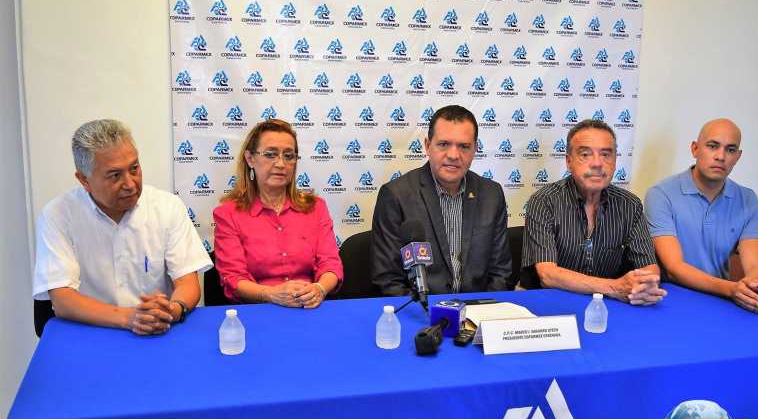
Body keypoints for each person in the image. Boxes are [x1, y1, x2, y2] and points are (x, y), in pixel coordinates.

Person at [33, 119, 212, 334]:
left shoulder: (167, 206)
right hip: (92, 330)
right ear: (84, 180)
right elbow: (63, 300)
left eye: (134, 169)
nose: (130, 184)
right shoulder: (58, 215)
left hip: (157, 330)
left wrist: (173, 309)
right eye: (115, 175)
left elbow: (187, 282)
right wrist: (129, 318)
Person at [520, 119, 666, 305]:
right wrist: (614, 288)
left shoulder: (630, 205)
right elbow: (548, 275)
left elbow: (649, 268)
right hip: (549, 302)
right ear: (569, 162)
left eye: (605, 154)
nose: (597, 163)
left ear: (615, 161)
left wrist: (644, 286)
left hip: (606, 304)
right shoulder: (544, 201)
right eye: (585, 154)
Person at [371, 105, 512, 295]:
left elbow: (500, 273)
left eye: (464, 146)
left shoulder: (492, 194)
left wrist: (483, 309)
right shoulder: (396, 195)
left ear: (475, 149)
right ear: (427, 146)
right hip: (422, 309)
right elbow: (388, 280)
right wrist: (428, 310)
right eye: (444, 144)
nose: (453, 155)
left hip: (477, 309)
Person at [213, 119, 342, 308]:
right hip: (258, 309)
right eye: (270, 154)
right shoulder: (228, 214)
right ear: (250, 159)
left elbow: (331, 264)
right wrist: (271, 294)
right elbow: (233, 278)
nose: (281, 163)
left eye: (289, 156)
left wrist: (319, 288)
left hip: (309, 306)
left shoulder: (316, 207)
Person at [645, 118, 758, 313]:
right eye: (713, 146)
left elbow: (757, 266)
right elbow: (673, 268)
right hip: (670, 300)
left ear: (738, 157)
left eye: (730, 150)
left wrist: (754, 286)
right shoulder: (661, 194)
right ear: (695, 149)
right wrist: (731, 289)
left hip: (720, 302)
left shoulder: (749, 202)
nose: (721, 156)